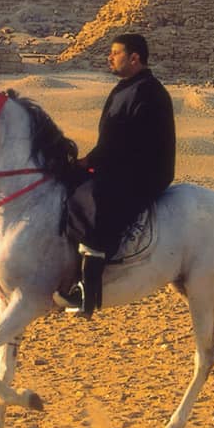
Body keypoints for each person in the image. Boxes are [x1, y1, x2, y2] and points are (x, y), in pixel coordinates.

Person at [64, 33, 175, 319]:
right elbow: (110, 139)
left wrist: (90, 161)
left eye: (115, 53)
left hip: (144, 171)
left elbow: (123, 141)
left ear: (134, 58)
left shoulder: (148, 91)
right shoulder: (125, 88)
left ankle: (88, 292)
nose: (109, 58)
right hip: (119, 163)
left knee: (96, 198)